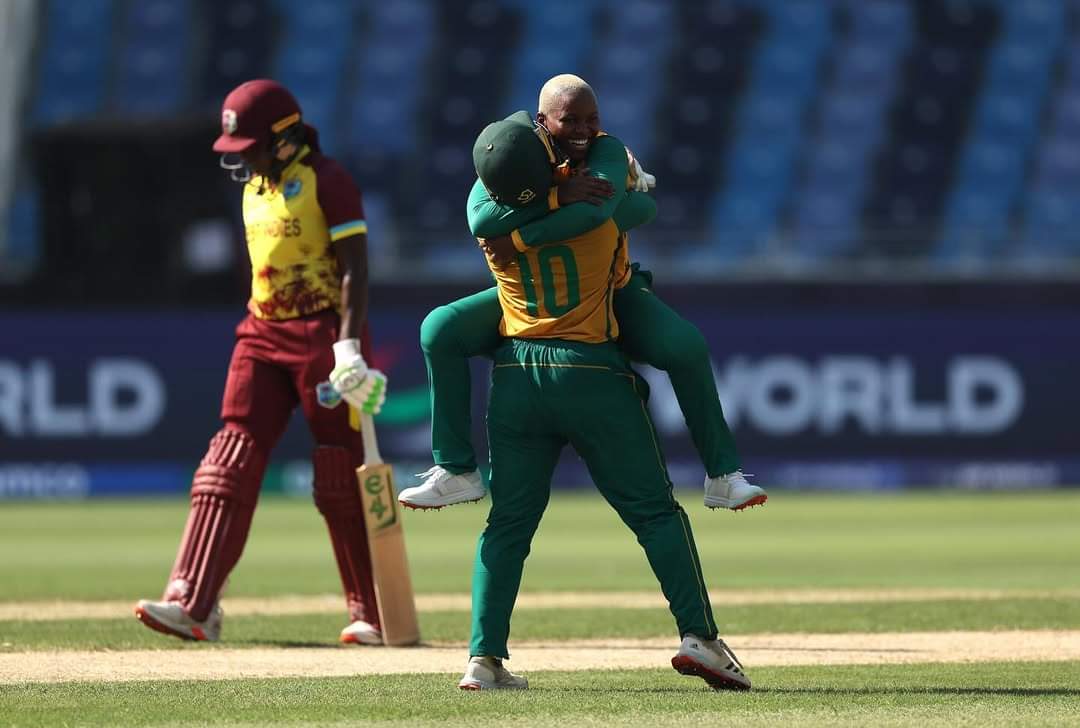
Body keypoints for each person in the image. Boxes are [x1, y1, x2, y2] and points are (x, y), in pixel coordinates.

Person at [455, 112, 751, 691]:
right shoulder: (598, 211)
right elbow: (639, 208)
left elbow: (493, 206)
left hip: (516, 373)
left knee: (508, 524)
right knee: (656, 515)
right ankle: (700, 638)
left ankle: (483, 659)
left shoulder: (494, 228)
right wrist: (624, 181)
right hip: (590, 368)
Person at [398, 75, 765, 513]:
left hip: (612, 290)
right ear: (542, 121)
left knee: (685, 346)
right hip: (530, 296)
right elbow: (481, 221)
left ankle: (723, 475)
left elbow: (603, 213)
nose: (583, 131)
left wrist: (518, 235)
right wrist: (558, 197)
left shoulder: (607, 150)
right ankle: (456, 470)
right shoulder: (516, 153)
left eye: (592, 119)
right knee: (440, 328)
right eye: (570, 120)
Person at [134, 79, 388, 646]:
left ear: (284, 138)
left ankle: (371, 611)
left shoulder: (328, 180)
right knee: (228, 459)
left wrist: (349, 346)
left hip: (324, 333)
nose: (243, 160)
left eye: (250, 148)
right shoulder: (255, 187)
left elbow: (355, 269)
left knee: (338, 471)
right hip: (261, 331)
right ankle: (193, 601)